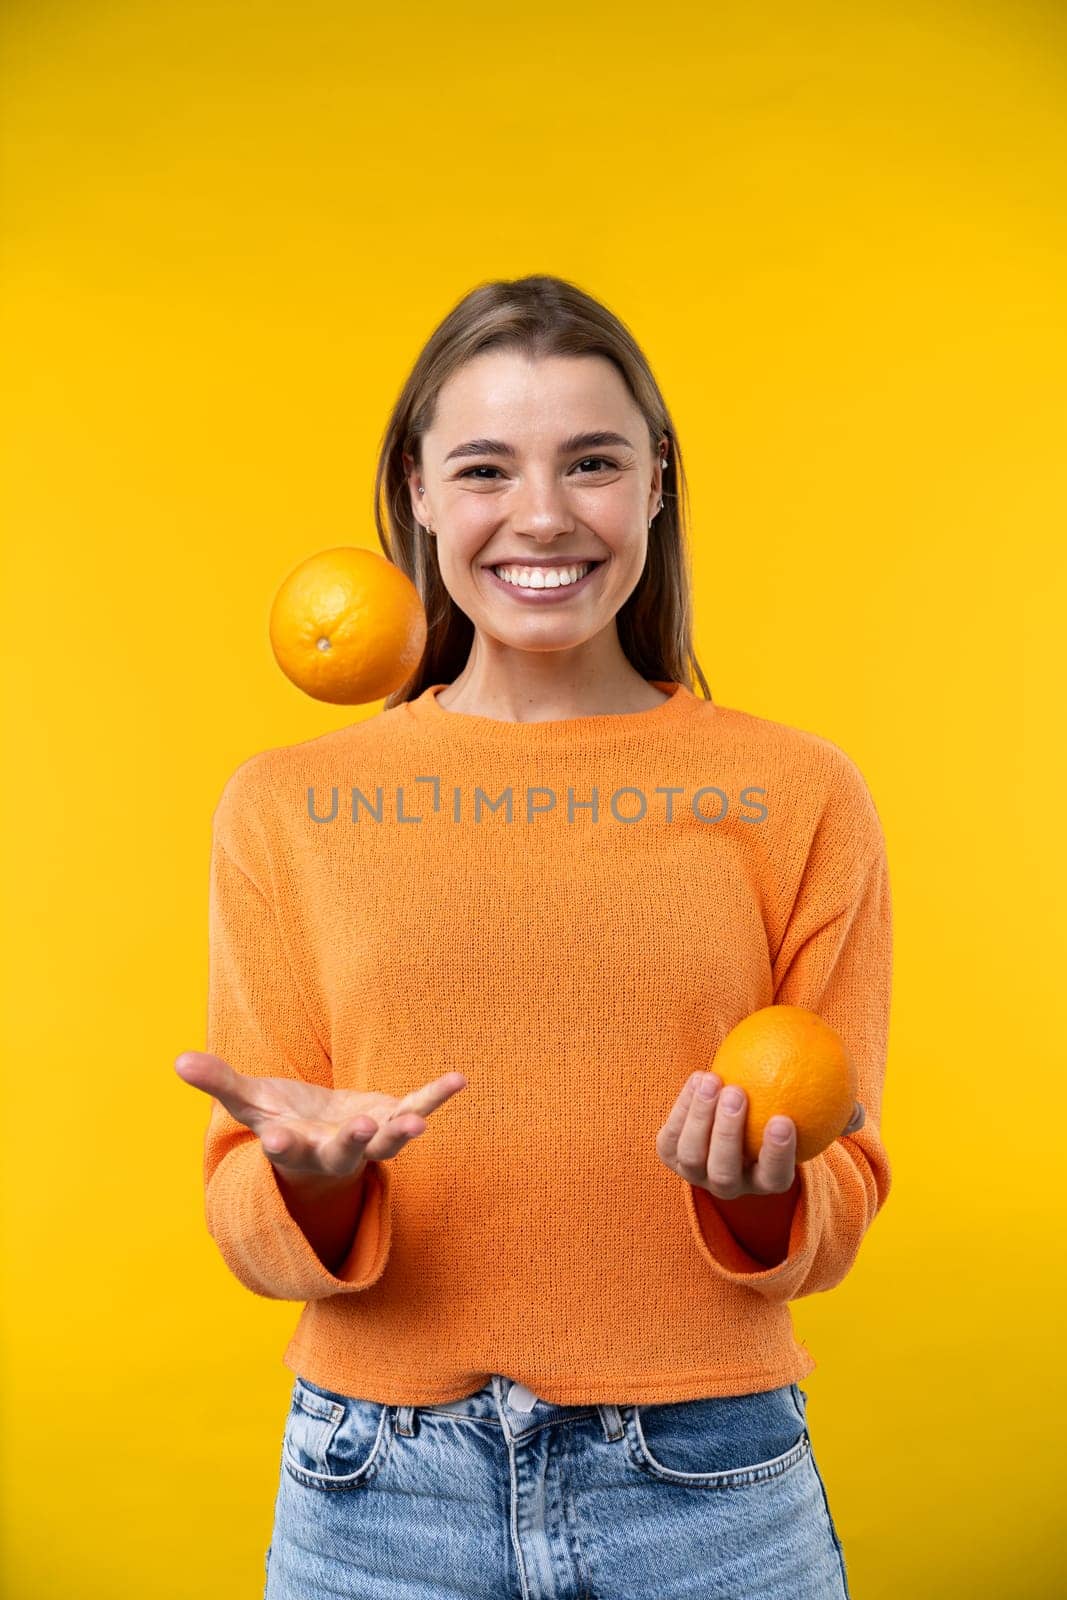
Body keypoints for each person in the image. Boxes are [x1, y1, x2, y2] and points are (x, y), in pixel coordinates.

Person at [174, 274, 891, 1600]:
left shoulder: (799, 794)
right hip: (374, 1493)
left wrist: (760, 1196)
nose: (544, 516)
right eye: (488, 467)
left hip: (708, 1488)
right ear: (420, 491)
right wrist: (316, 1178)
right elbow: (243, 1202)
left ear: (659, 484)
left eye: (595, 462)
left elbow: (842, 1189)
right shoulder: (286, 805)